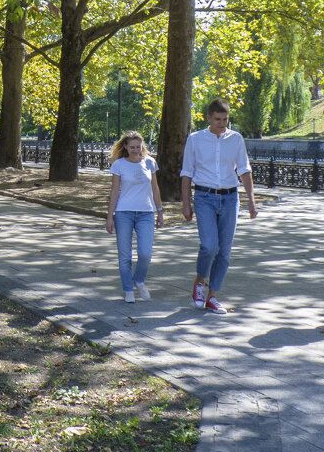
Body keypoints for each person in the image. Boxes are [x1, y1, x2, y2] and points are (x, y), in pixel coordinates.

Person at [180, 98, 258, 314]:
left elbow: (244, 169)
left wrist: (251, 198)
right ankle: (199, 282)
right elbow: (187, 173)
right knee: (209, 246)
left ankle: (212, 296)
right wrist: (186, 204)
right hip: (204, 197)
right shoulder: (195, 139)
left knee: (224, 252)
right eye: (218, 120)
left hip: (230, 198)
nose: (223, 124)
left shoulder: (236, 139)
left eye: (226, 119)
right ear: (208, 118)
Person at [106, 131, 164, 303]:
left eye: (138, 147)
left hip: (146, 213)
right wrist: (110, 216)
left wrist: (160, 211)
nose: (135, 150)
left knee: (145, 253)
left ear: (142, 146)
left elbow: (155, 188)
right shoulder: (119, 165)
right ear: (125, 146)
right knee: (125, 256)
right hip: (124, 213)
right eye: (131, 147)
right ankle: (128, 290)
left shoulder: (150, 162)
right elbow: (115, 191)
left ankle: (139, 280)